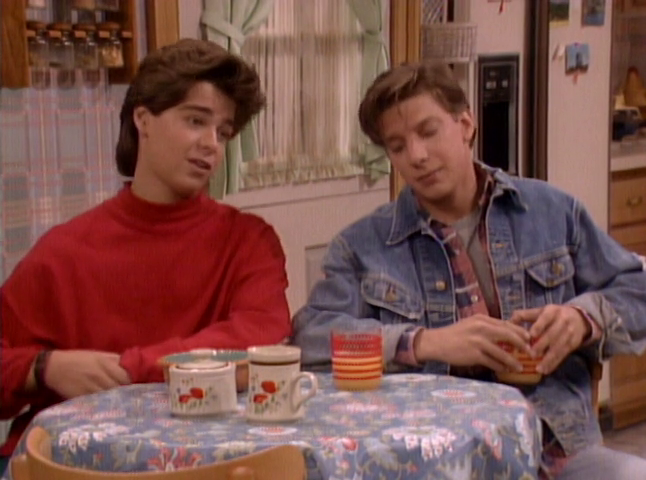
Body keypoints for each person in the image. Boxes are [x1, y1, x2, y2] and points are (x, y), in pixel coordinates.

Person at [292, 61, 646, 479]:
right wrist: (423, 343)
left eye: (428, 132)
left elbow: (635, 288)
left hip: (554, 452)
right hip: (430, 461)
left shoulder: (552, 211)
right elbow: (311, 338)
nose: (417, 156)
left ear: (465, 125)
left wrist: (584, 318)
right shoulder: (363, 245)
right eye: (397, 146)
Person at [0, 39, 291, 471]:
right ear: (143, 119)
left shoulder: (248, 240)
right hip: (73, 466)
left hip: (210, 464)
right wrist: (44, 367)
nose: (211, 144)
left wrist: (129, 368)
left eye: (223, 132)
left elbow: (259, 333)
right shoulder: (64, 251)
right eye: (196, 121)